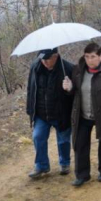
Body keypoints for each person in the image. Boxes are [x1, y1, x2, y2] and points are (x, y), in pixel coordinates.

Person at [63, 42, 101, 187]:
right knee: (80, 144)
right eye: (86, 56)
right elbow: (75, 92)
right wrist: (69, 88)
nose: (89, 60)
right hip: (83, 115)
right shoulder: (78, 70)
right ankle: (82, 175)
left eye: (93, 56)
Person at [26, 48, 74, 179]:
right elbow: (30, 89)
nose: (44, 62)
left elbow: (78, 94)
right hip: (41, 113)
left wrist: (70, 89)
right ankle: (41, 166)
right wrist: (30, 109)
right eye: (42, 59)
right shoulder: (35, 67)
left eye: (47, 59)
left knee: (63, 141)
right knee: (38, 137)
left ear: (56, 56)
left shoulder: (68, 68)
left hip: (61, 114)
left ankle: (65, 163)